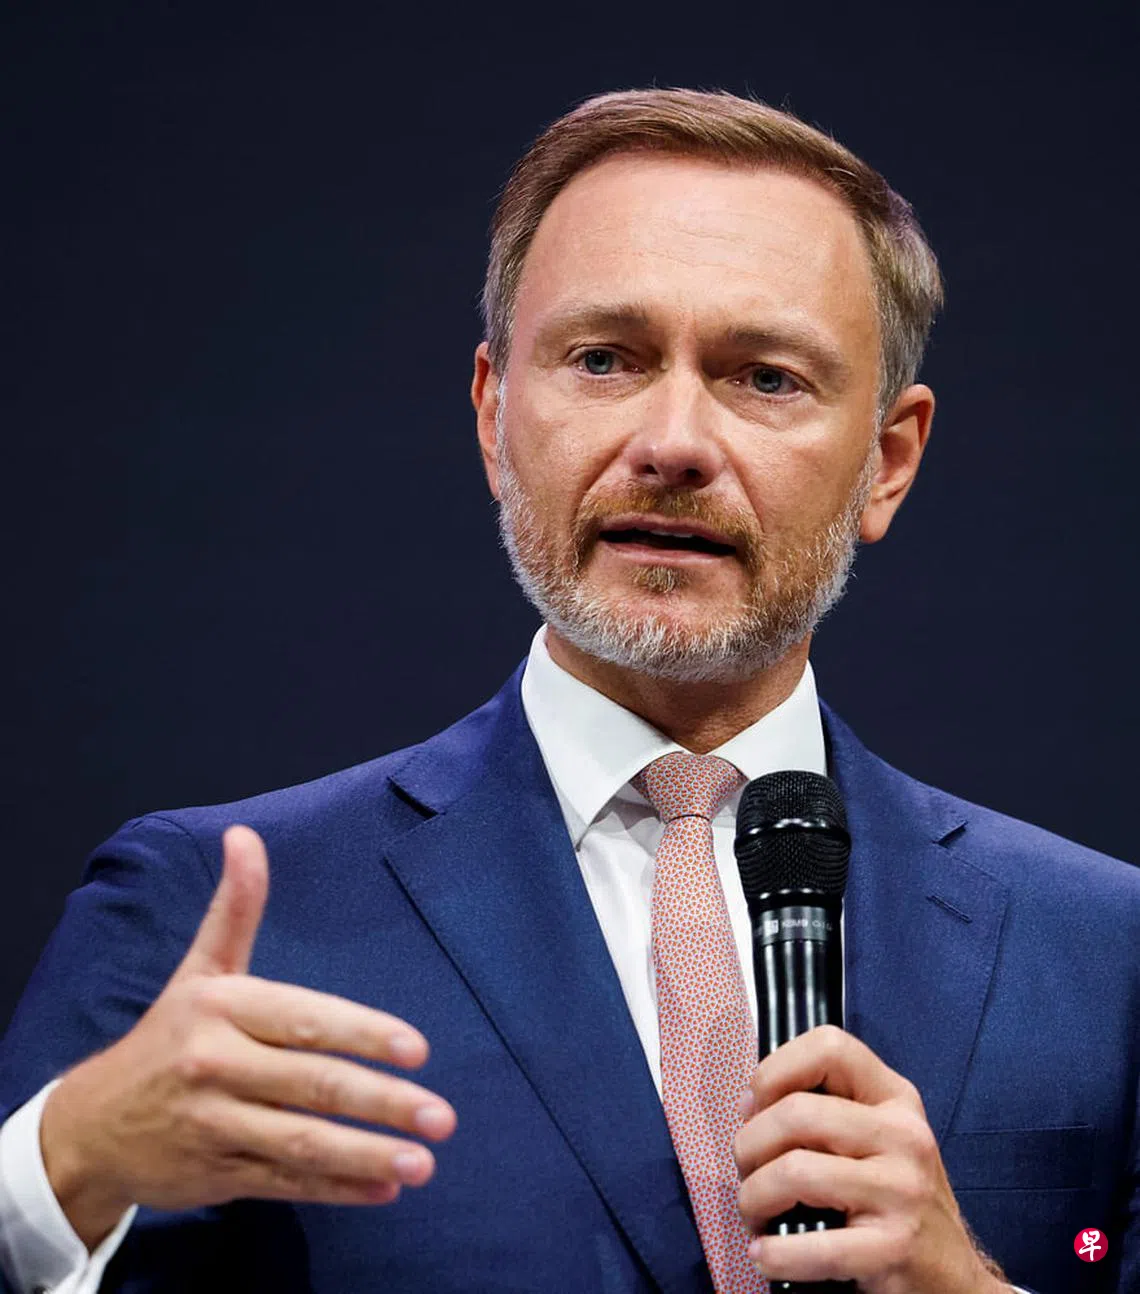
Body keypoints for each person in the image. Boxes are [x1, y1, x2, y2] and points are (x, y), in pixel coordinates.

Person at [0, 88, 1136, 1294]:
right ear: (494, 414)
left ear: (888, 461)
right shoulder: (216, 918)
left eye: (765, 377)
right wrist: (65, 1168)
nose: (674, 442)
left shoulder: (1106, 952)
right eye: (605, 360)